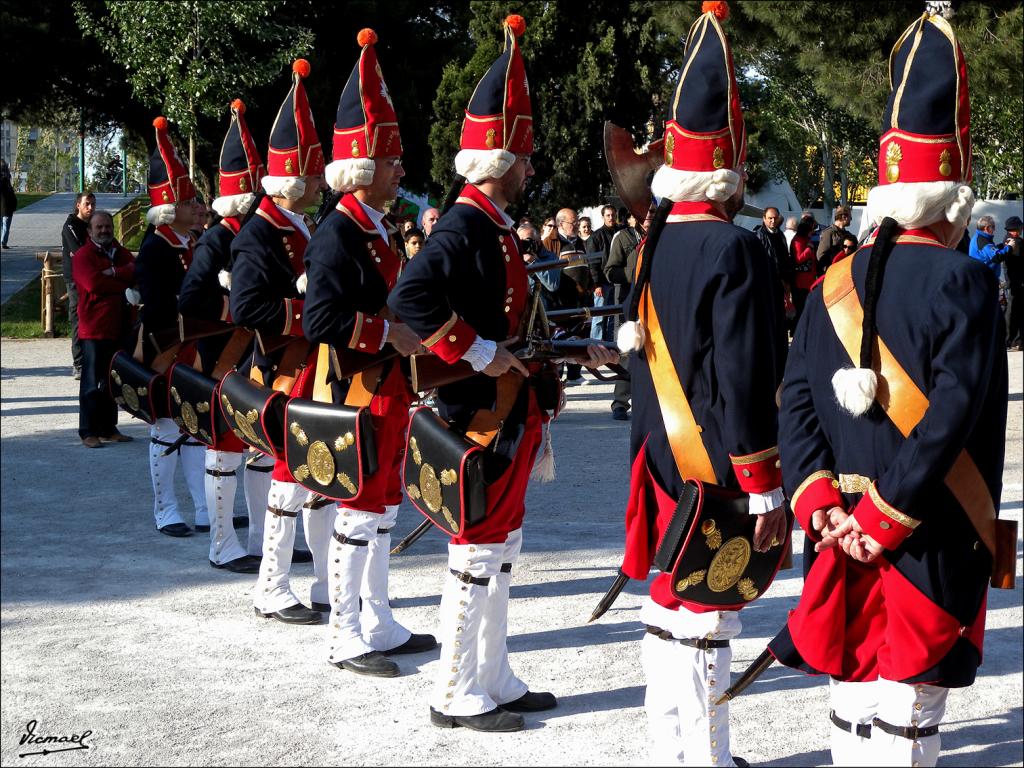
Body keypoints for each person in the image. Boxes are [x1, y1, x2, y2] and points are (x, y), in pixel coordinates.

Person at [773, 11, 1007, 767]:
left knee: (851, 696)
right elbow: (952, 419)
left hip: (839, 528)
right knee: (909, 712)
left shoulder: (828, 284)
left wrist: (823, 507)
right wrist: (883, 514)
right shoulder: (965, 282)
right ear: (952, 191)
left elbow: (798, 406)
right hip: (924, 529)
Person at [389, 14, 616, 734]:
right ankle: (456, 689)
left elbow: (514, 326)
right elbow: (410, 299)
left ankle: (493, 673)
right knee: (477, 552)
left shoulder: (489, 226)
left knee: (501, 549)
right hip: (477, 414)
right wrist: (480, 353)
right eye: (522, 158)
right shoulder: (462, 225)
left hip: (509, 409)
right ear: (497, 163)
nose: (531, 168)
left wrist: (577, 354)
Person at [615, 6, 788, 765]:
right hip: (717, 459)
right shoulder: (736, 248)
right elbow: (747, 376)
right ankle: (708, 758)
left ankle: (669, 748)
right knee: (711, 611)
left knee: (668, 599)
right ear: (730, 165)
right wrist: (763, 481)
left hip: (656, 449)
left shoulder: (658, 241)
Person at [302, 28, 437, 678]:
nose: (401, 170)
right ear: (364, 167)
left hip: (387, 387)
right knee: (358, 508)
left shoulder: (373, 226)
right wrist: (389, 337)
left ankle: (376, 618)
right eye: (392, 162)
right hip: (357, 387)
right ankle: (344, 633)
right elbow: (321, 317)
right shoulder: (337, 233)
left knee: (383, 506)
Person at [230, 59, 330, 626]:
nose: (321, 183)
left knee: (317, 480)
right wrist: (308, 314)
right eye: (313, 176)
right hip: (285, 366)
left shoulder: (296, 225)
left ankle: (320, 583)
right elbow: (248, 310)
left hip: (312, 368)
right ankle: (271, 585)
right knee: (290, 480)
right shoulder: (259, 235)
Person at [177, 98, 271, 574]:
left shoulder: (255, 234)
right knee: (224, 449)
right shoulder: (217, 239)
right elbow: (190, 297)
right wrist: (230, 303)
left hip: (254, 358)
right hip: (222, 357)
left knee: (259, 450)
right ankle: (221, 543)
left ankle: (257, 539)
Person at [134, 116, 209, 538]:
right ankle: (165, 509)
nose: (195, 207)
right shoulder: (154, 249)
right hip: (165, 346)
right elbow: (159, 307)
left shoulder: (189, 244)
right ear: (169, 208)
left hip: (192, 344)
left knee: (194, 427)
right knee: (165, 428)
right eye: (187, 202)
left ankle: (202, 507)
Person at [73, 210, 135, 447]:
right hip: (95, 329)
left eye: (107, 226)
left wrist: (115, 272)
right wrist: (121, 285)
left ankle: (108, 428)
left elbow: (136, 271)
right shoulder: (83, 256)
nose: (104, 230)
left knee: (113, 381)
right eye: (99, 227)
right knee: (91, 383)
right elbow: (93, 283)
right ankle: (87, 431)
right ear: (90, 231)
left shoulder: (120, 253)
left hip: (120, 326)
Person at [605, 205, 651, 421]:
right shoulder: (622, 237)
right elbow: (610, 271)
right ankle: (620, 403)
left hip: (652, 301)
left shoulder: (659, 235)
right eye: (644, 214)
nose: (648, 218)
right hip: (627, 301)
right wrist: (636, 274)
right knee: (626, 354)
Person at [543, 207, 592, 383]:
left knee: (579, 333)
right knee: (560, 337)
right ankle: (556, 375)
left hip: (580, 298)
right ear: (561, 223)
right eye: (574, 223)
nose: (577, 226)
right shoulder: (549, 243)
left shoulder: (580, 242)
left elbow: (587, 266)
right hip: (559, 301)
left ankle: (575, 373)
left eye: (577, 222)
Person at [62, 192, 96, 380]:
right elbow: (80, 252)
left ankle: (93, 359)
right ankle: (79, 363)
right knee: (78, 317)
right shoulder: (70, 226)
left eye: (93, 204)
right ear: (78, 205)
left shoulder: (92, 225)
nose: (90, 208)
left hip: (92, 276)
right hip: (75, 279)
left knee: (92, 316)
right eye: (87, 204)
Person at [586, 204, 620, 342]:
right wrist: (597, 284)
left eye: (613, 215)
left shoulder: (620, 232)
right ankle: (596, 344)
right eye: (608, 215)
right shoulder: (596, 237)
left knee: (613, 316)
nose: (611, 218)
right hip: (602, 283)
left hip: (616, 281)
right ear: (603, 217)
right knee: (599, 317)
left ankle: (609, 344)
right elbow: (592, 262)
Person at [790, 217, 817, 324]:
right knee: (800, 306)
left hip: (807, 280)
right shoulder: (798, 240)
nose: (812, 233)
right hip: (801, 281)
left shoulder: (804, 239)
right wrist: (809, 249)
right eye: (811, 231)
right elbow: (799, 258)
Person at [968, 214, 1009, 280]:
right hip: (985, 279)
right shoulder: (984, 242)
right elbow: (997, 257)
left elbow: (988, 253)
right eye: (993, 227)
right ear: (986, 228)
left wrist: (1002, 246)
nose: (994, 229)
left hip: (979, 276)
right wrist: (1010, 247)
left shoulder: (978, 236)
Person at [1002, 216, 1022, 350]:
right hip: (1017, 282)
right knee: (1014, 311)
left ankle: (1014, 340)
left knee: (1014, 310)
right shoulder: (1014, 242)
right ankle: (1012, 340)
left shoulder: (1009, 240)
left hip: (1015, 281)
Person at [816, 204, 853, 273]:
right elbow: (820, 255)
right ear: (844, 217)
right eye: (850, 217)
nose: (851, 219)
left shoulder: (848, 235)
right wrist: (828, 271)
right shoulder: (828, 233)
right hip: (832, 273)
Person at [0, 159, 15, 249]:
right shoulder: (7, 183)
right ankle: (3, 243)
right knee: (5, 226)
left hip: (4, 208)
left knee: (2, 226)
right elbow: (12, 198)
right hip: (7, 208)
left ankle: (2, 242)